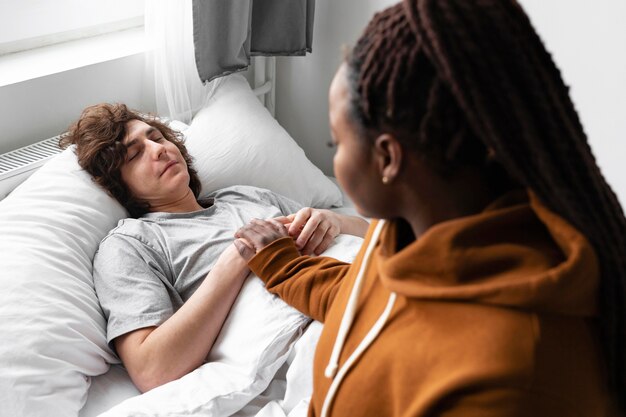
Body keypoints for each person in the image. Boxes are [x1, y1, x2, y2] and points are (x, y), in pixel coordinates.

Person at [233, 0, 626, 416]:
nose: (334, 160)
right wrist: (280, 263)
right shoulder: (407, 230)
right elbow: (365, 302)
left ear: (388, 158)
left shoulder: (509, 381)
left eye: (336, 143)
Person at [59, 103, 369, 393]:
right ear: (119, 184)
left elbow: (371, 235)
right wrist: (236, 259)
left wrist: (334, 221)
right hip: (320, 331)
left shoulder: (244, 196)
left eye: (156, 137)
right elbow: (151, 369)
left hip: (363, 280)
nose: (160, 149)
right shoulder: (132, 244)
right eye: (135, 154)